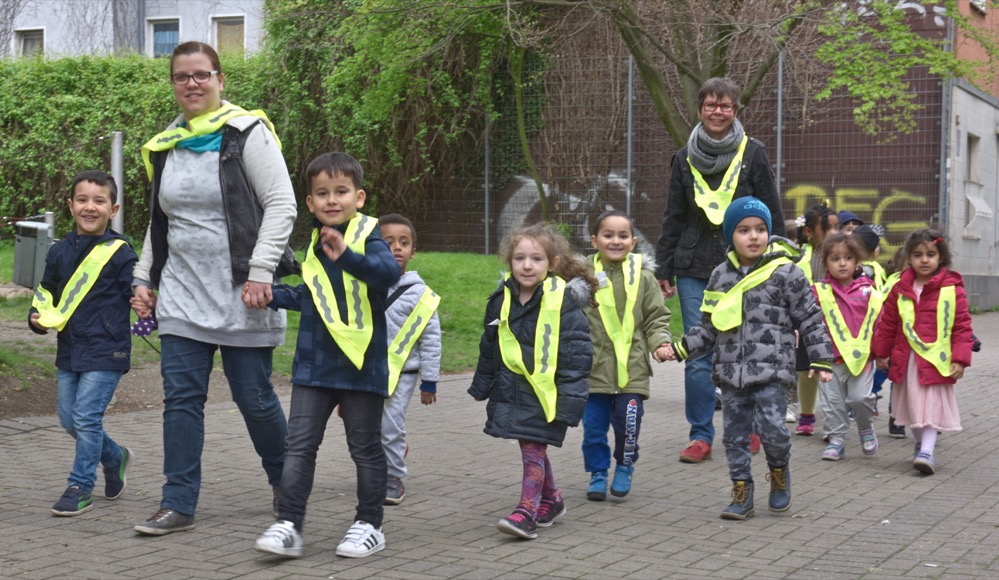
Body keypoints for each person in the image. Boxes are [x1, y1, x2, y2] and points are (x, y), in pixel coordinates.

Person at [131, 41, 298, 535]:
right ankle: (177, 502)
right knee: (181, 399)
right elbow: (160, 222)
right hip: (183, 294)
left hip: (243, 293)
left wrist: (261, 271)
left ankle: (286, 481)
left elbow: (282, 204)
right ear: (173, 85)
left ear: (220, 80)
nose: (192, 84)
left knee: (255, 398)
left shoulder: (247, 133)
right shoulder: (167, 144)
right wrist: (144, 277)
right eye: (182, 76)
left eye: (202, 74)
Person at [253, 152, 401, 558]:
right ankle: (289, 525)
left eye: (341, 191)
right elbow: (315, 297)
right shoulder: (315, 243)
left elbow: (388, 274)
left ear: (359, 197)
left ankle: (369, 524)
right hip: (314, 364)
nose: (332, 200)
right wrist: (271, 296)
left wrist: (346, 255)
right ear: (310, 202)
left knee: (364, 448)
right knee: (299, 446)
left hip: (361, 364)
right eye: (322, 193)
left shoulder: (369, 234)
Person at [665, 197, 833, 520]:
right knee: (734, 437)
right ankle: (741, 490)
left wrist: (821, 358)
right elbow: (708, 327)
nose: (754, 236)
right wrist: (679, 349)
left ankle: (779, 470)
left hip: (773, 371)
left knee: (773, 430)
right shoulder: (719, 276)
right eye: (744, 230)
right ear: (730, 235)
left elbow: (810, 318)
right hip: (730, 374)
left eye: (760, 229)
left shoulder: (786, 272)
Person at [654, 77, 786, 464]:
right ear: (700, 110)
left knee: (747, 346)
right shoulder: (684, 158)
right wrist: (664, 266)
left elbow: (772, 211)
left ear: (735, 111)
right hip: (693, 266)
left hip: (745, 268)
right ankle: (700, 436)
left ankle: (750, 426)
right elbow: (673, 216)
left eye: (725, 105)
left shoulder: (753, 153)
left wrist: (777, 259)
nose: (717, 111)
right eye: (710, 105)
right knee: (699, 351)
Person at [468, 223, 593, 540]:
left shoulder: (563, 303)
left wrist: (570, 403)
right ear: (509, 261)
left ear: (552, 264)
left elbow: (576, 357)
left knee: (532, 448)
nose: (527, 265)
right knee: (531, 444)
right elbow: (489, 346)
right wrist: (482, 385)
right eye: (519, 258)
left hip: (546, 395)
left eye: (536, 259)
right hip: (511, 390)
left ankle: (526, 512)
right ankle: (551, 500)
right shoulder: (500, 299)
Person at [29, 170, 136, 517]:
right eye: (82, 200)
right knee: (68, 419)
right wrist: (35, 317)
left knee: (87, 418)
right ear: (71, 205)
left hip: (108, 348)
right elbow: (46, 292)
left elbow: (135, 291)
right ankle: (115, 457)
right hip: (70, 347)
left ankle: (80, 486)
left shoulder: (121, 253)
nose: (90, 207)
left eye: (99, 201)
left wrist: (143, 301)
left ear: (113, 209)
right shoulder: (58, 251)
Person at [582, 210, 672, 501]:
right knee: (593, 430)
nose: (615, 241)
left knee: (628, 424)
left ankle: (624, 465)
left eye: (623, 236)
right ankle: (598, 472)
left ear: (633, 242)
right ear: (594, 240)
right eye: (608, 235)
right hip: (593, 370)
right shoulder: (581, 277)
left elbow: (656, 318)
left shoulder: (645, 278)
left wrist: (660, 343)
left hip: (633, 370)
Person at [872, 230, 973, 475]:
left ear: (941, 257)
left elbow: (962, 326)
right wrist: (881, 353)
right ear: (909, 258)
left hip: (937, 361)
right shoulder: (900, 288)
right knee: (914, 406)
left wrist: (960, 359)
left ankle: (927, 450)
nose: (924, 260)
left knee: (931, 406)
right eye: (918, 255)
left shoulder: (952, 288)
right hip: (907, 360)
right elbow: (888, 323)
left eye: (930, 254)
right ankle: (920, 445)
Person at [377, 213, 442, 505]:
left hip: (403, 373)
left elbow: (431, 340)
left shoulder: (421, 295)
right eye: (388, 242)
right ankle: (382, 463)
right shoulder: (366, 286)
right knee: (368, 428)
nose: (396, 247)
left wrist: (429, 381)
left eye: (403, 243)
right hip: (368, 372)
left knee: (390, 427)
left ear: (413, 251)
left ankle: (393, 477)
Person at [812, 232, 882, 461]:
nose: (842, 263)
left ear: (857, 261)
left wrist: (882, 353)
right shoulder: (818, 291)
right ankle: (836, 439)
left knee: (860, 398)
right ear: (826, 263)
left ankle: (865, 427)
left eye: (848, 258)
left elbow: (879, 323)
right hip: (830, 359)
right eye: (835, 259)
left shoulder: (869, 292)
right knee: (833, 403)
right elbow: (809, 323)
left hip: (862, 359)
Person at [792, 202, 839, 436]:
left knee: (833, 371)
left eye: (837, 227)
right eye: (827, 228)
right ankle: (807, 414)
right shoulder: (799, 259)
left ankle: (834, 420)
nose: (834, 233)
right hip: (808, 322)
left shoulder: (843, 256)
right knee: (805, 370)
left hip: (836, 322)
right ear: (809, 232)